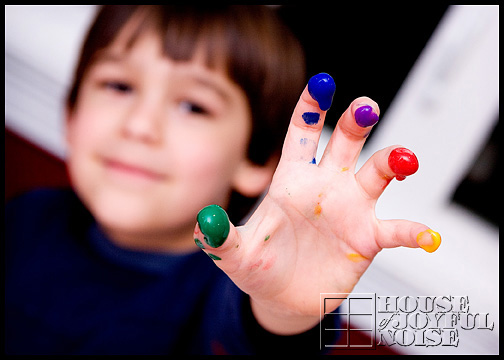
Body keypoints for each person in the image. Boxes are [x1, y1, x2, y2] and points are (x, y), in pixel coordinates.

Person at [4, 5, 441, 355]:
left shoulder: (231, 290)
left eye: (193, 107)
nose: (139, 125)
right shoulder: (25, 218)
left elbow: (253, 337)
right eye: (118, 86)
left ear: (255, 160)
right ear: (71, 113)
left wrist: (282, 306)